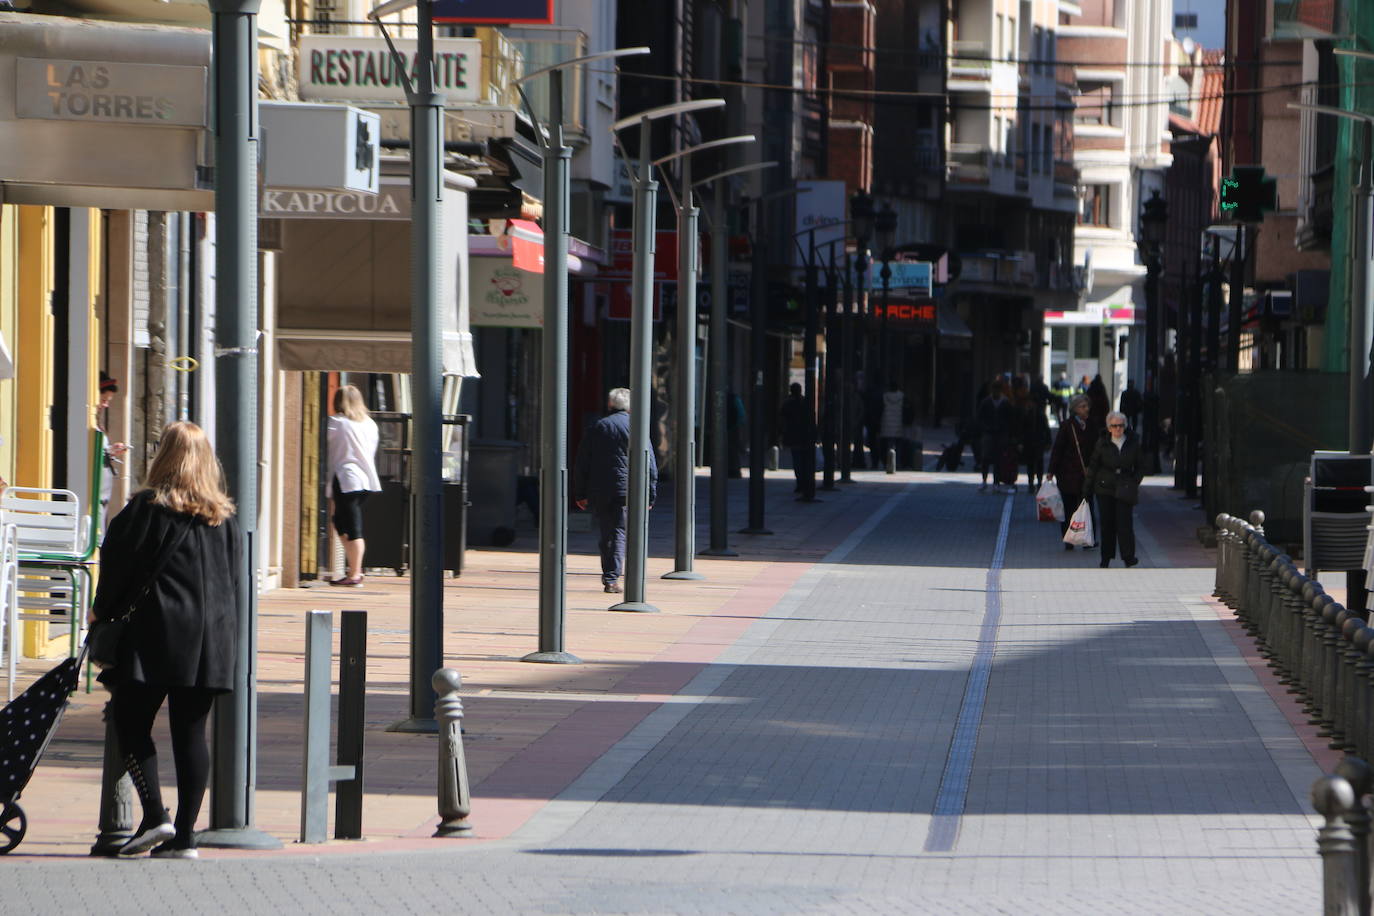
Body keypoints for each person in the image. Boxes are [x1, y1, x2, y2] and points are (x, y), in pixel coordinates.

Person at [90, 421, 240, 859]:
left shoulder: (145, 510)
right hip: (211, 640)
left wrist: (101, 612)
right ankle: (185, 838)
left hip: (155, 635)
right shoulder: (224, 519)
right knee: (192, 735)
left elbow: (116, 567)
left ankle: (156, 813)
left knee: (129, 720)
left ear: (163, 457)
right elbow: (232, 582)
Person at [574, 388, 656, 594]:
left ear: (610, 405)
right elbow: (651, 464)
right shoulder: (637, 427)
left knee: (609, 532)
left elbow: (582, 462)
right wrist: (651, 493)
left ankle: (611, 576)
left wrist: (580, 493)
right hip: (628, 488)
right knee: (620, 531)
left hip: (601, 488)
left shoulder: (598, 426)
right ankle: (614, 578)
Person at [326, 385, 382, 587]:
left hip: (346, 478)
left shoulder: (337, 423)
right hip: (366, 480)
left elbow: (322, 439)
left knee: (351, 526)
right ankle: (353, 569)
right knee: (340, 521)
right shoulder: (370, 424)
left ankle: (355, 573)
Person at [1086, 410, 1145, 568]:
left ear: (1125, 426)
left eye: (1121, 426)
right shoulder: (1102, 442)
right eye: (1114, 426)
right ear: (1109, 427)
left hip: (1125, 486)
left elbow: (1140, 465)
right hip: (1105, 487)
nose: (1118, 429)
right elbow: (1093, 465)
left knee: (1125, 523)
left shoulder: (1132, 441)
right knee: (1107, 524)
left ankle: (1128, 557)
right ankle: (1106, 557)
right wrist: (1087, 489)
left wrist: (1134, 481)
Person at [1047, 394, 1099, 550]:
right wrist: (1051, 470)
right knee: (1069, 508)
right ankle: (1069, 539)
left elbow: (1097, 449)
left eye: (1087, 406)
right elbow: (1058, 450)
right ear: (1075, 409)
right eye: (1083, 406)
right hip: (1068, 474)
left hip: (1086, 474)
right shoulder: (1067, 426)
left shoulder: (1092, 425)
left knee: (1087, 507)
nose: (1086, 409)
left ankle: (1087, 539)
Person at [975, 377, 1014, 492]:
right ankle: (984, 481)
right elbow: (980, 417)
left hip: (1001, 434)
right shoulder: (986, 402)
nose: (995, 392)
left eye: (997, 389)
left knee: (998, 459)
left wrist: (1008, 433)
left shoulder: (1005, 403)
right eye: (994, 389)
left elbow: (1010, 419)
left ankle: (996, 482)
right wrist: (984, 428)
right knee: (985, 458)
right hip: (989, 433)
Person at [779, 382, 816, 497]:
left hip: (794, 436)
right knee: (805, 460)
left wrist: (782, 434)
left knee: (797, 461)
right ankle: (805, 482)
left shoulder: (788, 404)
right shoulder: (806, 403)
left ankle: (800, 482)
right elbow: (812, 419)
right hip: (805, 436)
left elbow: (782, 420)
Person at [878, 381, 905, 466]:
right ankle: (897, 464)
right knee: (898, 446)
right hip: (898, 424)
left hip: (887, 425)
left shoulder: (885, 396)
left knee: (888, 446)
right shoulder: (902, 396)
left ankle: (889, 464)